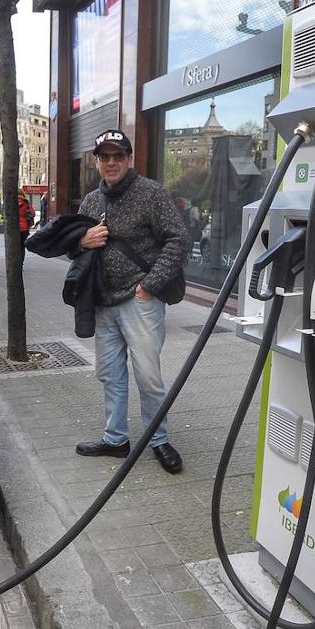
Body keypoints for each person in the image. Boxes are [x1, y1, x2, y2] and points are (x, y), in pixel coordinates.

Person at [74, 129, 189, 474]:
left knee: (149, 376)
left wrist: (150, 286)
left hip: (140, 301)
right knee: (110, 374)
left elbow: (178, 240)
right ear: (97, 161)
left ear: (129, 159)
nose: (111, 162)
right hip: (103, 302)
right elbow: (70, 249)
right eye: (104, 157)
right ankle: (116, 438)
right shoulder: (91, 201)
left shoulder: (151, 193)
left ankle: (159, 438)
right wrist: (82, 240)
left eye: (118, 156)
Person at [17, 194, 34, 261]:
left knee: (15, 246)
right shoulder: (26, 202)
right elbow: (33, 214)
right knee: (22, 247)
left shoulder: (12, 202)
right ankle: (21, 263)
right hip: (24, 228)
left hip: (14, 228)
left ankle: (15, 263)